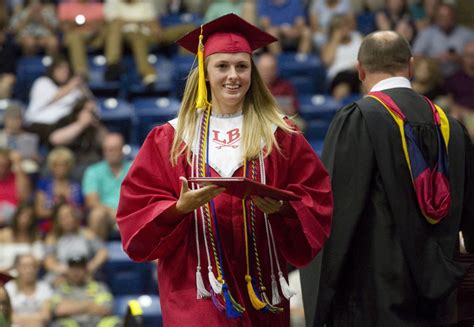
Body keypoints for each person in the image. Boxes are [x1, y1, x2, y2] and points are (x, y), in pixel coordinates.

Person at [116, 13, 333, 326]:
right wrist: (178, 208)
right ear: (204, 72)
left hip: (262, 292)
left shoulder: (279, 134)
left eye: (242, 66)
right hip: (197, 292)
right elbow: (136, 211)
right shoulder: (172, 138)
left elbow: (316, 197)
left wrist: (284, 208)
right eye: (222, 66)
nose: (234, 76)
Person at [300, 31, 474, 326]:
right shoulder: (452, 128)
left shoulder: (358, 119)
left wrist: (323, 303)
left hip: (371, 302)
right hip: (439, 305)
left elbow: (335, 219)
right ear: (410, 65)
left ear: (360, 70)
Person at [24, 56, 89, 145]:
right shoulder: (42, 82)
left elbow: (90, 103)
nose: (64, 72)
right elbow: (52, 98)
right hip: (40, 124)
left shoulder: (74, 88)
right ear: (52, 70)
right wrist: (72, 85)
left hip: (63, 124)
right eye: (60, 68)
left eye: (66, 69)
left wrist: (82, 88)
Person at [82, 132, 131, 240]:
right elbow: (91, 201)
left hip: (132, 213)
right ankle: (99, 253)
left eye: (114, 149)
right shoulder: (93, 171)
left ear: (122, 150)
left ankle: (154, 256)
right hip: (107, 215)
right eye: (107, 149)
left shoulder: (134, 167)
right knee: (97, 215)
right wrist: (114, 213)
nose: (110, 153)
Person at [50, 256, 119, 327]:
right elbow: (59, 310)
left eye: (79, 268)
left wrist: (72, 306)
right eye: (73, 268)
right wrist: (89, 306)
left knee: (115, 322)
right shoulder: (61, 289)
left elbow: (106, 309)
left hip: (97, 324)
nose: (76, 272)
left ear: (86, 270)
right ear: (68, 270)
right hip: (73, 324)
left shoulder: (99, 287)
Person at [412, 3, 474, 77]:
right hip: (433, 78)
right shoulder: (426, 34)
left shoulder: (468, 34)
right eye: (441, 16)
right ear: (436, 18)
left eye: (448, 16)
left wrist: (459, 59)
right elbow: (415, 58)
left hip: (462, 78)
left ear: (454, 16)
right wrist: (435, 60)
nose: (445, 19)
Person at [4, 254, 52, 327]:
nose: (29, 270)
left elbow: (46, 316)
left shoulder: (44, 287)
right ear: (17, 268)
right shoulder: (8, 288)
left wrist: (21, 319)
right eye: (24, 266)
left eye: (33, 266)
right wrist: (36, 319)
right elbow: (9, 316)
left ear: (37, 268)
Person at [0, 204, 44, 273]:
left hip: (25, 276)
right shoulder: (3, 234)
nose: (24, 220)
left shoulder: (35, 237)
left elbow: (38, 260)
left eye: (29, 217)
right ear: (16, 216)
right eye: (22, 216)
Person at [0, 148, 31, 227]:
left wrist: (18, 163)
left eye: (5, 165)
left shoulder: (17, 177)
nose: (2, 169)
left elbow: (24, 197)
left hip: (13, 219)